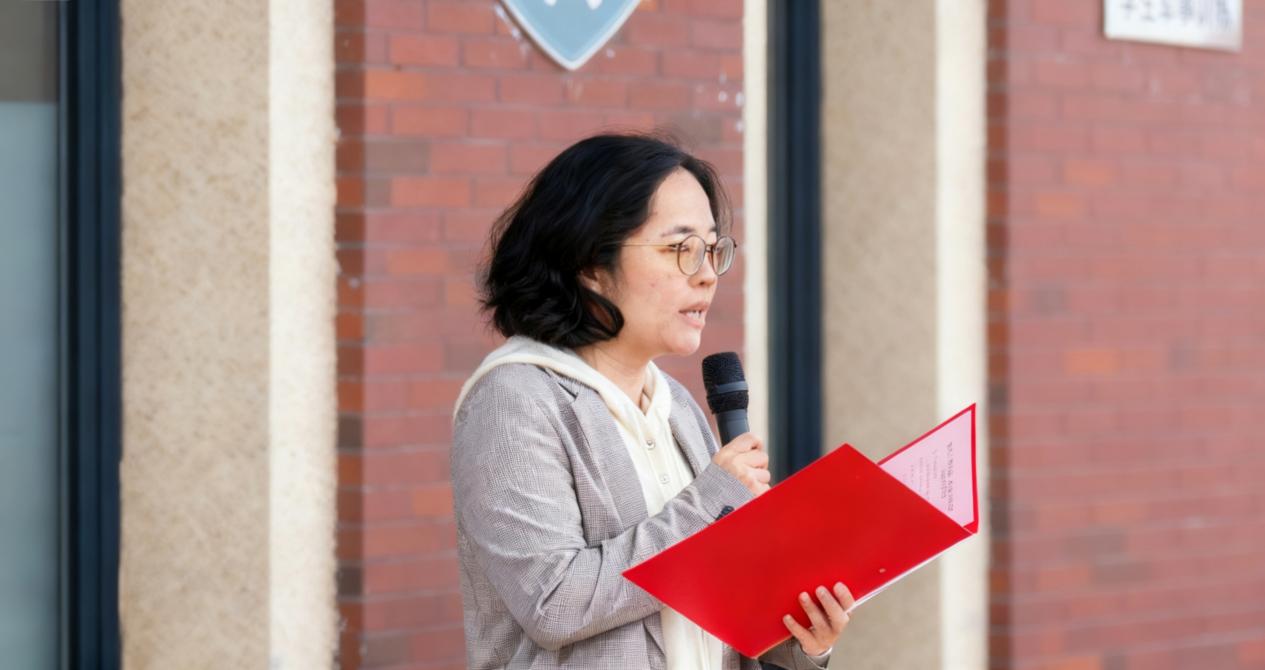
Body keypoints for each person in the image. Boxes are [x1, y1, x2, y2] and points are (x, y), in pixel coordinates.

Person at [451, 133, 853, 670]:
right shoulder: (515, 400)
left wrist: (801, 641)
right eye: (679, 249)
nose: (706, 274)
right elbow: (555, 603)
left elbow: (712, 612)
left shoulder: (677, 406)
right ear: (590, 264)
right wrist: (711, 504)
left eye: (712, 250)